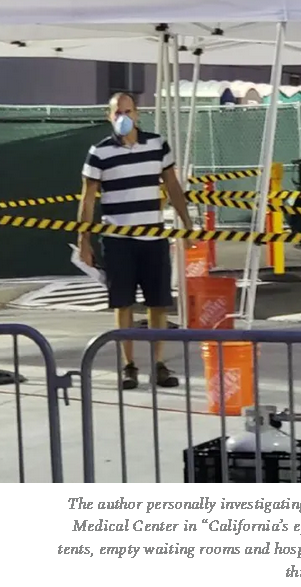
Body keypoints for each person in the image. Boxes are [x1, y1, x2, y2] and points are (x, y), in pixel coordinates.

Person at [77, 92, 193, 390]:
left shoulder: (157, 145)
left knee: (158, 303)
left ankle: (159, 363)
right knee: (123, 303)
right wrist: (84, 240)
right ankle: (129, 365)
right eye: (118, 113)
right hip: (118, 240)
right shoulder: (99, 152)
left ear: (138, 113)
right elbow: (87, 199)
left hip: (153, 237)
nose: (123, 118)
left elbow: (172, 185)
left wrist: (187, 221)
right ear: (109, 116)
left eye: (128, 111)